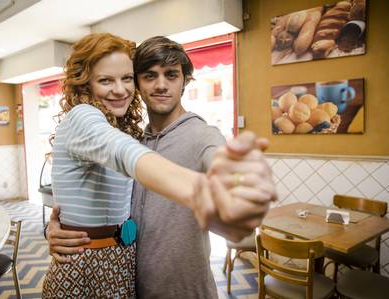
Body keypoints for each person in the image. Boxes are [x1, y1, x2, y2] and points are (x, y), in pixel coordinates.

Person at [45, 35, 276, 298]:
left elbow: (221, 164)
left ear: (185, 81)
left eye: (171, 75)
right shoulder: (132, 138)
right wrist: (56, 229)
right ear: (140, 83)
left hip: (186, 291)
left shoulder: (204, 135)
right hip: (129, 282)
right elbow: (97, 184)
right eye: (150, 76)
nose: (161, 85)